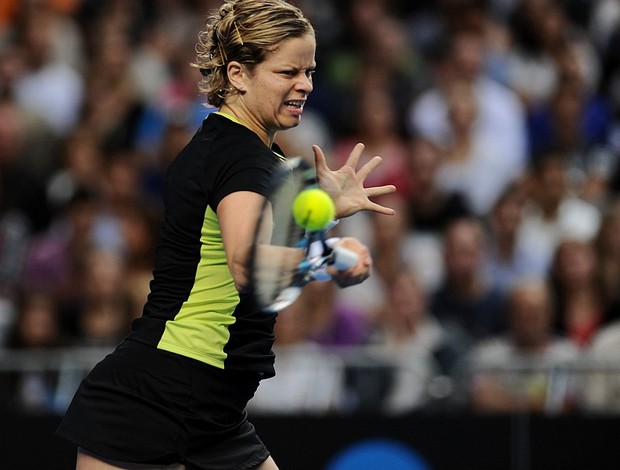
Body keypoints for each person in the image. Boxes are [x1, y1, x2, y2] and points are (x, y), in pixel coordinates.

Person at [56, 1, 395, 470]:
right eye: (288, 72)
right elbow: (244, 265)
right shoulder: (242, 160)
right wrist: (327, 256)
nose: (305, 85)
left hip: (207, 404)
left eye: (310, 71)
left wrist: (323, 215)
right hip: (166, 390)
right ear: (238, 74)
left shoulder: (247, 155)